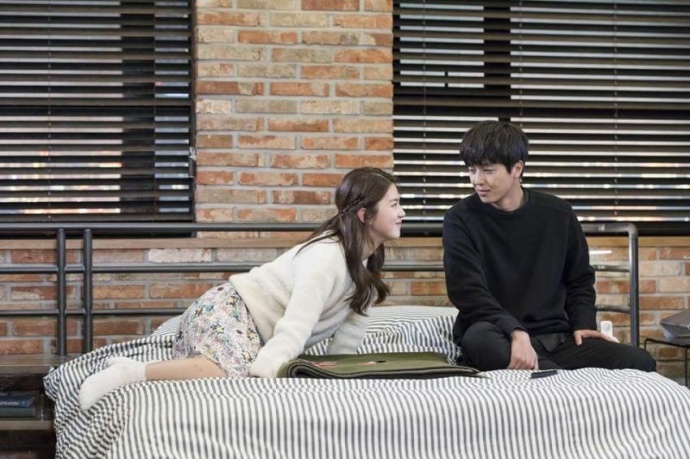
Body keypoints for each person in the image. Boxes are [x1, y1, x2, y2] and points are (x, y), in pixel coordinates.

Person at [79, 167, 406, 410]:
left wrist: (335, 377)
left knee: (231, 372)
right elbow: (297, 323)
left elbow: (350, 334)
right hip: (230, 310)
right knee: (228, 375)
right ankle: (128, 373)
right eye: (393, 204)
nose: (402, 212)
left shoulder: (366, 264)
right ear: (365, 214)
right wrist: (266, 371)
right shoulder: (326, 256)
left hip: (252, 331)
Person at [443, 120, 655, 372]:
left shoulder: (558, 214)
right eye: (472, 170)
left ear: (517, 168)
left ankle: (547, 374)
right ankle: (559, 380)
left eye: (488, 170)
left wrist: (583, 324)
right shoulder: (459, 218)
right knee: (479, 339)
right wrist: (515, 331)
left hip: (555, 339)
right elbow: (467, 292)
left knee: (640, 360)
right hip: (498, 334)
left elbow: (579, 279)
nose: (477, 180)